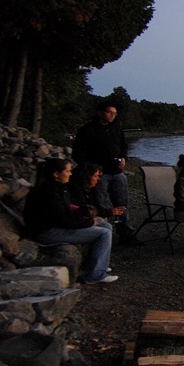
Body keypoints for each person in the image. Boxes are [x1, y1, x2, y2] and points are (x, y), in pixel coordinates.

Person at [23, 158, 117, 284]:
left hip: (55, 226)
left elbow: (65, 209)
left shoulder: (59, 187)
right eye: (67, 171)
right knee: (103, 233)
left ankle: (96, 264)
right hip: (47, 232)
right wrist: (88, 223)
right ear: (56, 174)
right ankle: (95, 275)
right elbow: (61, 221)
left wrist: (82, 214)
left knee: (105, 225)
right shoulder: (49, 192)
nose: (70, 174)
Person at [71, 99, 141, 245]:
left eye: (114, 113)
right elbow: (78, 154)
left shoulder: (116, 127)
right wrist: (92, 169)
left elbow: (123, 145)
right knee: (99, 204)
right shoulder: (87, 130)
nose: (112, 116)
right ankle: (97, 233)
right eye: (109, 112)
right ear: (100, 112)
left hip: (117, 172)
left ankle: (126, 235)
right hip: (100, 175)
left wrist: (123, 157)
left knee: (122, 204)